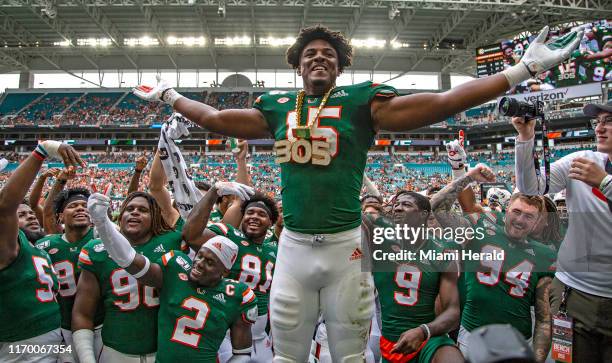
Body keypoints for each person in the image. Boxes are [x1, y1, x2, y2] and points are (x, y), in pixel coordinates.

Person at [134, 25, 581, 362]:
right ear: (298, 65)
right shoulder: (276, 110)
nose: (319, 59)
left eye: (328, 54)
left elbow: (442, 103)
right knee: (289, 350)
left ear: (340, 65)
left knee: (348, 353)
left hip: (345, 246)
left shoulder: (363, 102)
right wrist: (170, 94)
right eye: (310, 54)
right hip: (293, 247)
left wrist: (521, 70)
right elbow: (212, 118)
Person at [86, 186, 258, 363]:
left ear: (225, 271)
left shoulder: (238, 295)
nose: (199, 264)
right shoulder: (176, 269)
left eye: (210, 262)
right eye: (200, 257)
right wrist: (102, 222)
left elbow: (243, 353)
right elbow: (130, 260)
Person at [512, 100, 612, 362]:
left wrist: (604, 182)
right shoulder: (582, 162)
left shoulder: (594, 172)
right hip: (575, 294)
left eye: (609, 121)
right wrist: (525, 138)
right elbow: (531, 188)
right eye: (597, 122)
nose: (599, 129)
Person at [430, 165, 556, 363]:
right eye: (516, 212)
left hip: (519, 341)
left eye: (529, 216)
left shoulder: (544, 254)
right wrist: (467, 177)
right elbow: (436, 207)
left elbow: (543, 319)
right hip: (471, 334)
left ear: (537, 220)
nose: (520, 220)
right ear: (506, 210)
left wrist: (537, 359)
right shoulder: (480, 227)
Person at [71, 192, 187, 363]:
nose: (135, 213)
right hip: (115, 349)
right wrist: (87, 358)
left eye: (143, 210)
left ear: (155, 217)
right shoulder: (97, 250)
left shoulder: (172, 242)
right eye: (130, 209)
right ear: (121, 215)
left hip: (165, 350)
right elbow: (82, 313)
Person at [0, 141, 84, 363]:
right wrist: (41, 151)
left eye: (30, 212)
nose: (30, 216)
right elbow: (5, 206)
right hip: (24, 342)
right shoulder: (8, 244)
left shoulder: (37, 245)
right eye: (22, 215)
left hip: (56, 333)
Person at [363, 191, 463, 363]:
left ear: (424, 215)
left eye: (407, 205)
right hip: (390, 345)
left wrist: (423, 331)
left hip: (428, 340)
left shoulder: (442, 251)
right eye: (396, 205)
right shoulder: (377, 239)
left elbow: (452, 312)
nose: (398, 208)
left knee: (451, 358)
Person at [182, 187, 276, 363]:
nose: (254, 216)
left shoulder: (275, 250)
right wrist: (213, 193)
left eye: (261, 214)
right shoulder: (230, 236)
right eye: (250, 212)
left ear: (270, 222)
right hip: (225, 332)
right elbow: (192, 236)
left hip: (260, 336)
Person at [35, 187, 103, 362]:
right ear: (60, 216)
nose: (81, 208)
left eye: (84, 205)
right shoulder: (45, 246)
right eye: (73, 205)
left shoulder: (104, 240)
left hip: (103, 323)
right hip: (62, 328)